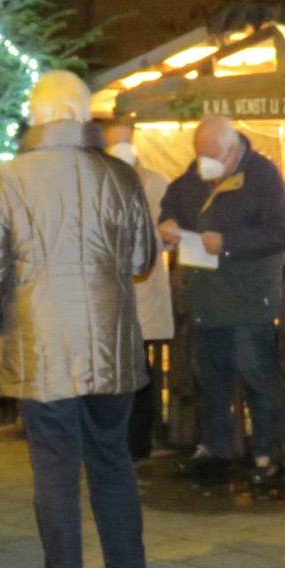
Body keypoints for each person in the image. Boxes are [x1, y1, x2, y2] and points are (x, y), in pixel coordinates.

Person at [0, 71, 155, 568]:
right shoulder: (121, 176)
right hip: (109, 343)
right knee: (112, 460)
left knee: (53, 468)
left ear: (36, 116)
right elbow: (143, 258)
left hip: (40, 344)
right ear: (82, 115)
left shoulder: (11, 176)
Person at [158, 115, 285, 485]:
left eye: (211, 154)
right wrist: (167, 224)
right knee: (211, 378)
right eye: (199, 154)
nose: (204, 162)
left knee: (257, 376)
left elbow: (282, 231)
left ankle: (266, 453)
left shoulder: (263, 176)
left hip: (250, 296)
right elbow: (171, 202)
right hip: (207, 298)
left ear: (233, 149)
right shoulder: (194, 175)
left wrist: (229, 244)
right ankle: (214, 449)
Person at [104, 122, 176, 461]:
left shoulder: (154, 183)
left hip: (141, 287)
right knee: (116, 366)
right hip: (107, 291)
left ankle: (138, 440)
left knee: (138, 365)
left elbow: (163, 233)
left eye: (124, 142)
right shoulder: (97, 182)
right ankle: (118, 440)